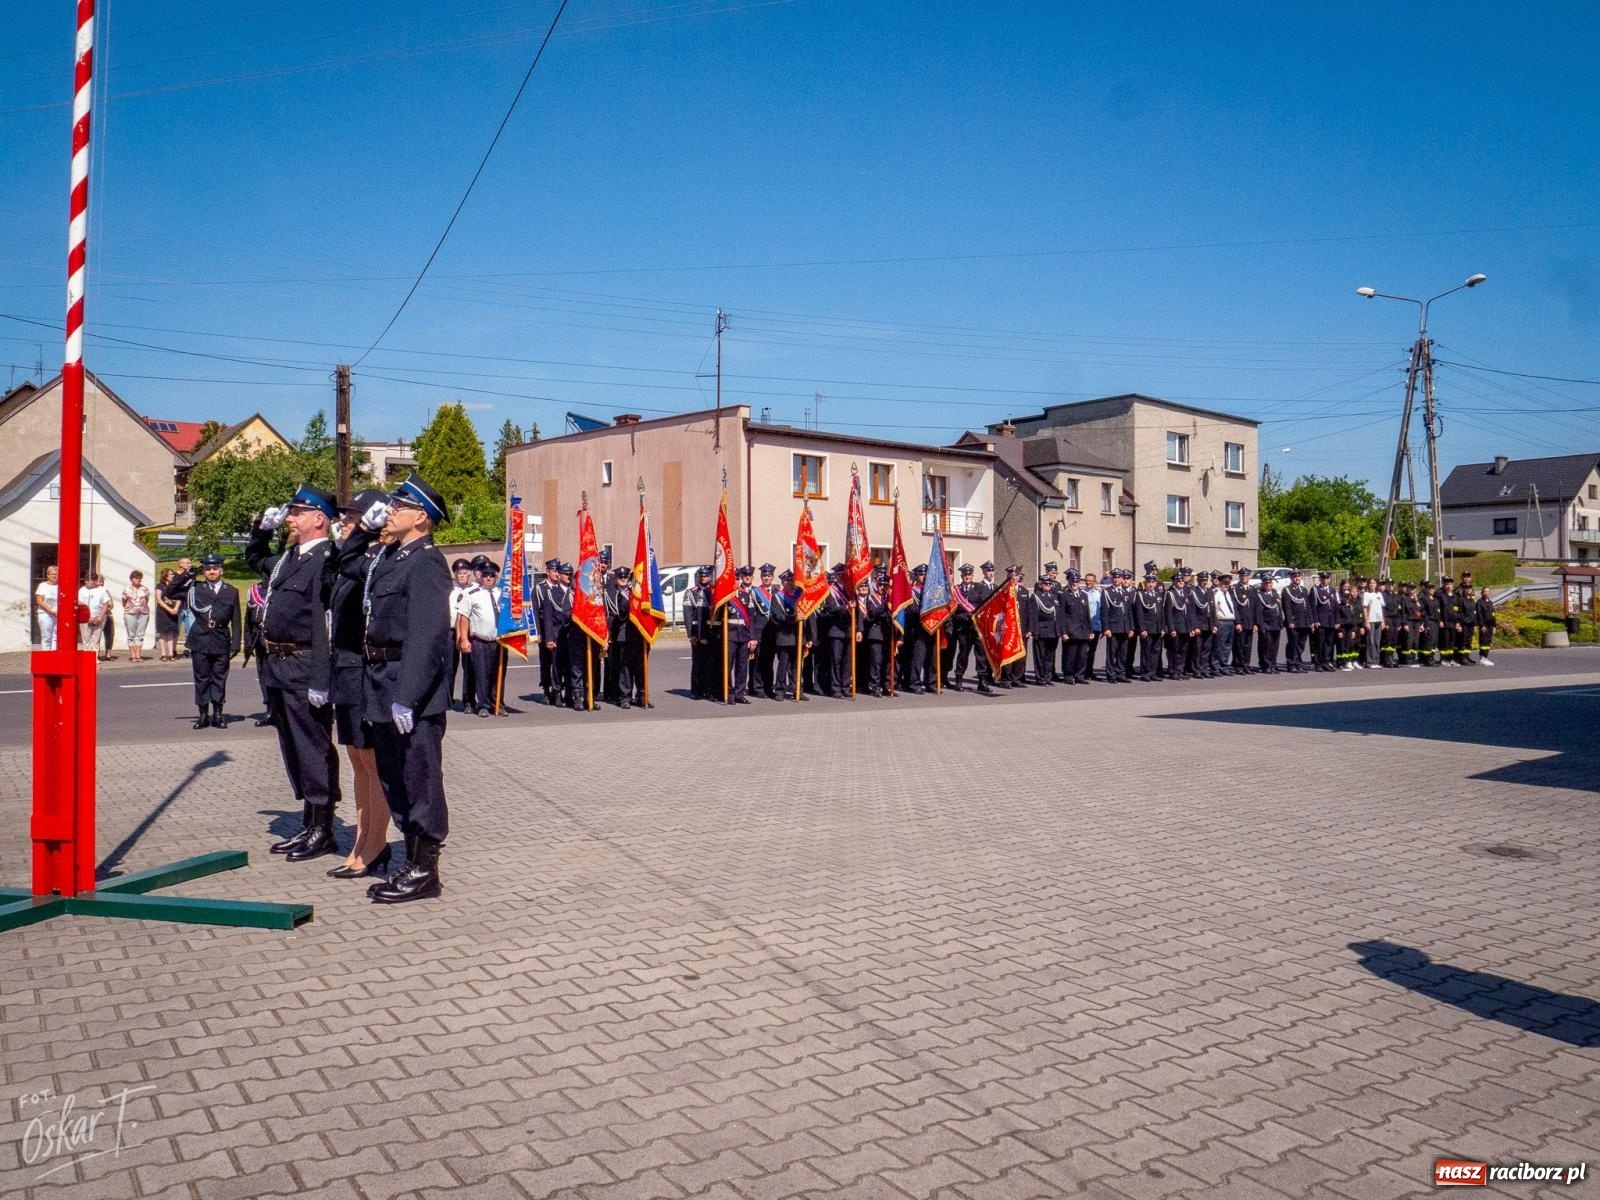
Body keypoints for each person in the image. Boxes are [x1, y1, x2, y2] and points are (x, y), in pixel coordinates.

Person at [334, 475, 453, 904]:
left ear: (421, 517)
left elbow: (427, 635)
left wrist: (410, 694)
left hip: (407, 687)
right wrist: (365, 528)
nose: (391, 510)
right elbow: (346, 563)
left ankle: (425, 870)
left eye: (399, 506)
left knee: (419, 779)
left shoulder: (426, 561)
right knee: (393, 777)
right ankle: (410, 863)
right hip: (380, 681)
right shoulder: (388, 555)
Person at [246, 486, 343, 861]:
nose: (290, 518)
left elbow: (326, 622)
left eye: (297, 513)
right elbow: (255, 558)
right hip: (277, 666)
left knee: (313, 746)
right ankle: (308, 822)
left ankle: (323, 828)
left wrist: (322, 677)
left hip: (305, 665)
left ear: (319, 518)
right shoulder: (289, 557)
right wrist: (261, 529)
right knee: (293, 746)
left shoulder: (326, 558)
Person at [324, 489, 393, 879]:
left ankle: (375, 843)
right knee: (356, 759)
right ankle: (363, 839)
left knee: (372, 760)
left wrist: (361, 536)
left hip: (363, 668)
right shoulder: (354, 557)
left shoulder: (374, 560)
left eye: (353, 517)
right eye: (346, 517)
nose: (345, 522)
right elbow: (332, 571)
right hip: (345, 667)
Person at [180, 554, 242, 727]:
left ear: (221, 570)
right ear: (203, 571)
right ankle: (202, 715)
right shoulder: (196, 588)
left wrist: (236, 644)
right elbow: (171, 590)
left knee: (219, 678)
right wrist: (189, 573)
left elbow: (236, 619)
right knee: (201, 678)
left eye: (215, 568)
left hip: (221, 640)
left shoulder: (231, 591)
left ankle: (218, 714)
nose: (211, 572)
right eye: (207, 569)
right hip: (200, 639)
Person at [80, 572, 113, 659]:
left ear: (95, 581)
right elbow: (80, 603)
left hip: (99, 617)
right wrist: (87, 617)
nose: (87, 582)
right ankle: (87, 658)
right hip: (85, 618)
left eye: (89, 581)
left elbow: (106, 604)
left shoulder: (102, 590)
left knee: (96, 638)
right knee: (86, 639)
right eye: (86, 581)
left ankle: (95, 657)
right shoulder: (82, 590)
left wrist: (100, 617)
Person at [120, 570, 151, 662]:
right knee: (131, 634)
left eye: (139, 578)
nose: (138, 580)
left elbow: (147, 600)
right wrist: (130, 607)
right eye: (136, 578)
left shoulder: (145, 589)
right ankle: (132, 655)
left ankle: (138, 655)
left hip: (143, 613)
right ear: (131, 579)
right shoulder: (127, 589)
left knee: (140, 634)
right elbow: (124, 601)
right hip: (130, 613)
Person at [154, 566, 183, 660]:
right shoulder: (160, 586)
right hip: (162, 612)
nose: (172, 575)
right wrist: (169, 609)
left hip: (173, 611)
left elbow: (179, 598)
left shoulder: (175, 586)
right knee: (162, 632)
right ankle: (163, 654)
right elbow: (158, 599)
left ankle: (170, 653)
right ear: (165, 575)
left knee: (171, 632)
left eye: (173, 574)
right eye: (171, 574)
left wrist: (175, 608)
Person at [1255, 576, 1284, 673]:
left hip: (1276, 624)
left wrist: (1281, 622)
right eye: (1266, 583)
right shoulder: (1260, 595)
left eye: (1269, 583)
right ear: (1263, 584)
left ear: (1272, 584)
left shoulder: (1275, 594)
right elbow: (1258, 612)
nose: (1268, 585)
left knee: (1274, 646)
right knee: (1266, 646)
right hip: (1266, 624)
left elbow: (1279, 609)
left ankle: (1273, 664)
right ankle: (1266, 665)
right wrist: (1261, 625)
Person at [34, 564, 59, 650]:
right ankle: (46, 657)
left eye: (57, 574)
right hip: (45, 614)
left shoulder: (62, 586)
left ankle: (54, 658)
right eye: (53, 574)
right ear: (48, 575)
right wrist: (51, 611)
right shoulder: (42, 585)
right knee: (46, 637)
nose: (55, 576)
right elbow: (39, 600)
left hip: (58, 615)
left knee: (56, 637)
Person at [1475, 588, 1497, 666]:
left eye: (1487, 591)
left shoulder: (1491, 603)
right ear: (1482, 593)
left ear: (1490, 593)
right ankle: (1482, 657)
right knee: (1483, 641)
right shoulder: (1479, 603)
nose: (1486, 593)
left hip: (1490, 626)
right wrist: (1482, 625)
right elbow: (1479, 615)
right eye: (1484, 591)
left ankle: (1485, 657)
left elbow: (1493, 615)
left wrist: (1494, 626)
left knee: (1488, 641)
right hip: (1484, 626)